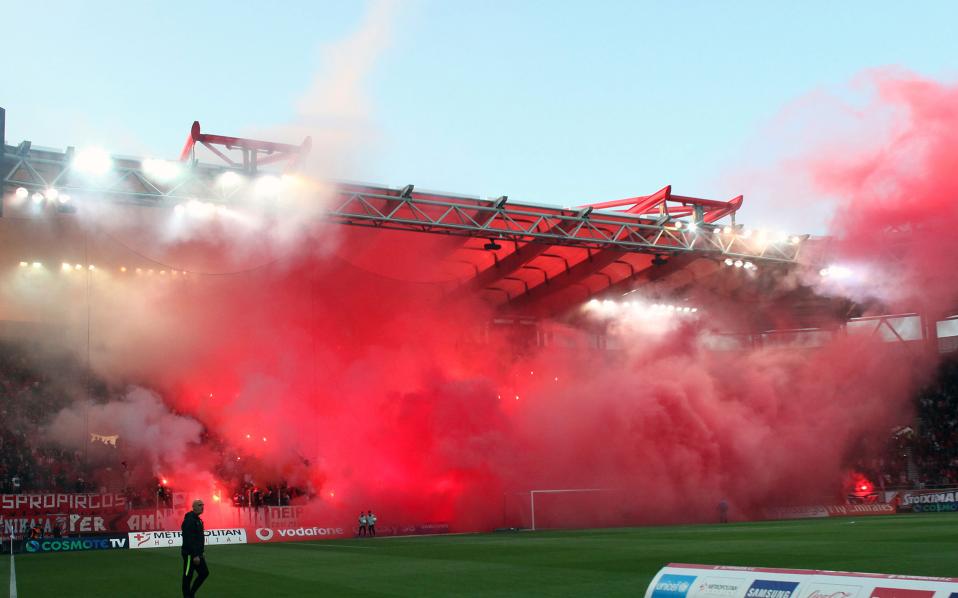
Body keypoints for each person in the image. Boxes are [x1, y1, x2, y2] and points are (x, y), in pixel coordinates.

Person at [181, 499, 209, 598]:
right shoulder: (190, 520)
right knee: (187, 576)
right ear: (194, 507)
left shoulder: (197, 520)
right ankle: (187, 596)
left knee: (204, 573)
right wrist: (195, 555)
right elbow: (189, 540)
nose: (202, 507)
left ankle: (191, 594)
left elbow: (198, 538)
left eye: (202, 505)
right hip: (190, 554)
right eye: (200, 505)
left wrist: (201, 551)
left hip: (197, 553)